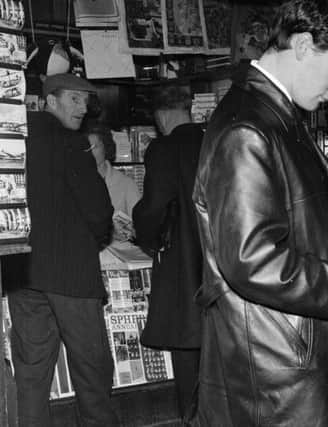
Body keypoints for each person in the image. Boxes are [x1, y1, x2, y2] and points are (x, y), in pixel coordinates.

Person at [188, 1, 328, 425]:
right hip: (274, 380)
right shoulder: (248, 128)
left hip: (284, 359)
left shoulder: (269, 114)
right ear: (304, 45)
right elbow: (253, 261)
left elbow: (269, 225)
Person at [7, 73, 118, 426]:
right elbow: (99, 210)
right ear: (50, 100)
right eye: (74, 99)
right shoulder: (72, 143)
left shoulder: (13, 140)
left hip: (21, 270)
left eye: (86, 101)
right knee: (91, 370)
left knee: (32, 371)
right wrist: (99, 235)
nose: (83, 108)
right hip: (71, 273)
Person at [132, 85, 204, 419]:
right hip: (226, 266)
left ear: (160, 116)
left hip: (182, 266)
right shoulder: (215, 138)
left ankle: (191, 419)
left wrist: (144, 232)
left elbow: (154, 208)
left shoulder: (163, 148)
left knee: (187, 355)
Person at [85, 123, 141, 241]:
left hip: (119, 253)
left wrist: (122, 232)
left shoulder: (126, 184)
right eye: (86, 147)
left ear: (106, 147)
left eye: (95, 147)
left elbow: (141, 228)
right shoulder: (76, 183)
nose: (90, 152)